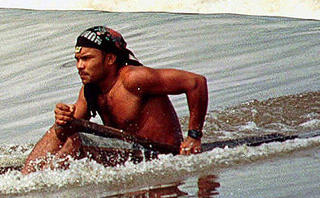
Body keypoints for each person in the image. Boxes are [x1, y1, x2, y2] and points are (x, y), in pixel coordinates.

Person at [22, 26, 208, 172]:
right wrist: (62, 118)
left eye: (86, 59)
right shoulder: (90, 89)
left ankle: (44, 180)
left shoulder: (133, 78)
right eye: (77, 59)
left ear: (110, 59)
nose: (79, 66)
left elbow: (196, 83)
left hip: (161, 154)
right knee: (64, 128)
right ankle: (27, 176)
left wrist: (193, 137)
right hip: (127, 151)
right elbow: (68, 127)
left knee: (78, 141)